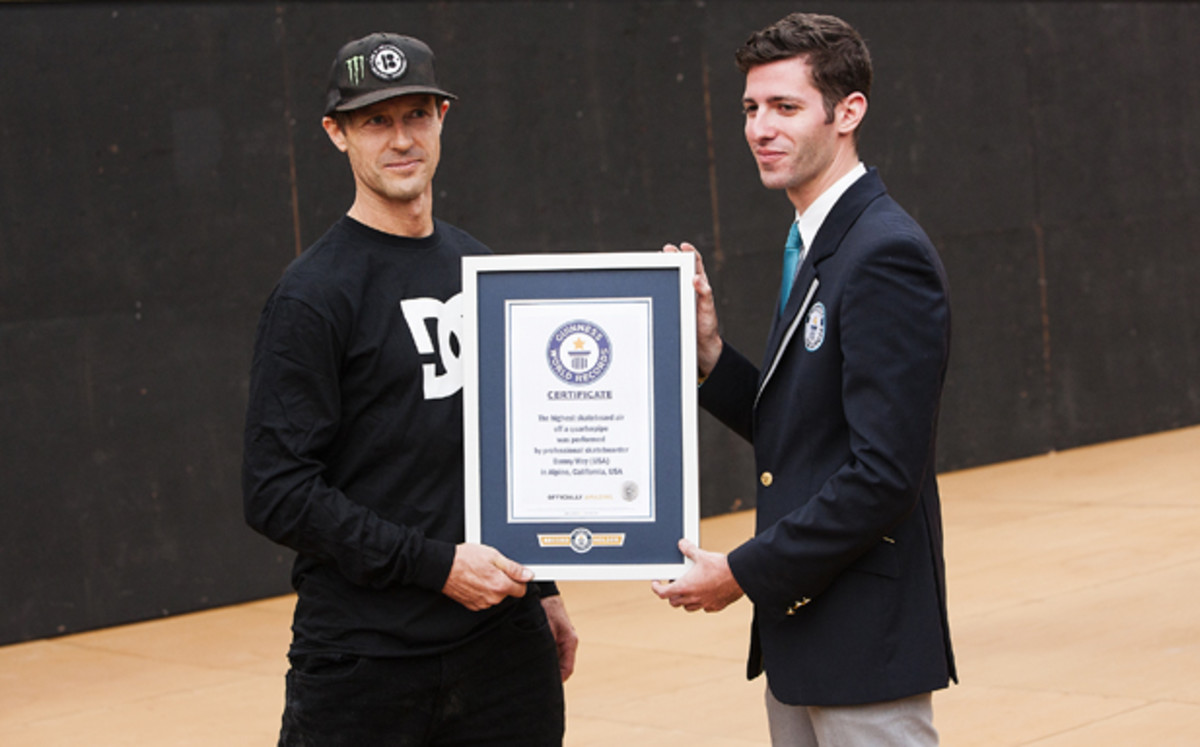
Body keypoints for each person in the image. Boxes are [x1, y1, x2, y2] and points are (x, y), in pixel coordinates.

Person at [242, 32, 577, 746]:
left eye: (416, 115)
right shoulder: (313, 295)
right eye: (375, 120)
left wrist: (541, 589)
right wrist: (438, 566)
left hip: (502, 653)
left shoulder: (481, 269)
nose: (401, 139)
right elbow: (276, 490)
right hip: (366, 663)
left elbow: (512, 449)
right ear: (337, 134)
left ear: (443, 119)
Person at [652, 13, 955, 745]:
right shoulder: (816, 241)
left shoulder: (884, 254)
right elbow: (808, 432)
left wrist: (742, 573)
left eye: (785, 107)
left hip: (863, 645)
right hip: (805, 636)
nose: (760, 127)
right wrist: (711, 355)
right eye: (752, 108)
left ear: (848, 111)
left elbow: (883, 474)